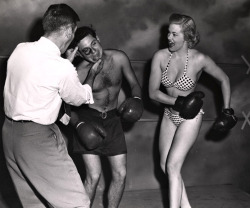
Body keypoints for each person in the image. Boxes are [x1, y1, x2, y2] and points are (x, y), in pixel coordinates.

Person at [2, 4, 103, 208]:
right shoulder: (61, 67)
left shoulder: (21, 49)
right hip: (36, 138)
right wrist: (89, 75)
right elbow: (78, 98)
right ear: (67, 30)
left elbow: (38, 80)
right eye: (73, 32)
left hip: (9, 133)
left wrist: (65, 63)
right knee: (77, 203)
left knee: (34, 203)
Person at [149, 13, 237, 208]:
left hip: (190, 118)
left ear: (187, 36)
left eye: (174, 34)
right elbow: (153, 93)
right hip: (169, 116)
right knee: (166, 167)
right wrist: (177, 102)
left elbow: (224, 79)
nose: (169, 38)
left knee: (172, 167)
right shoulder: (161, 57)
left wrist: (227, 109)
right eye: (168, 33)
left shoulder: (199, 59)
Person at [69, 26, 143, 208]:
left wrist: (137, 99)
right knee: (93, 176)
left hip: (113, 120)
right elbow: (66, 107)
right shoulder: (79, 72)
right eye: (87, 50)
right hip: (89, 120)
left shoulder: (119, 58)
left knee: (121, 174)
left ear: (98, 38)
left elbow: (134, 84)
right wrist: (79, 125)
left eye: (94, 44)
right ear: (79, 53)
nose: (94, 52)